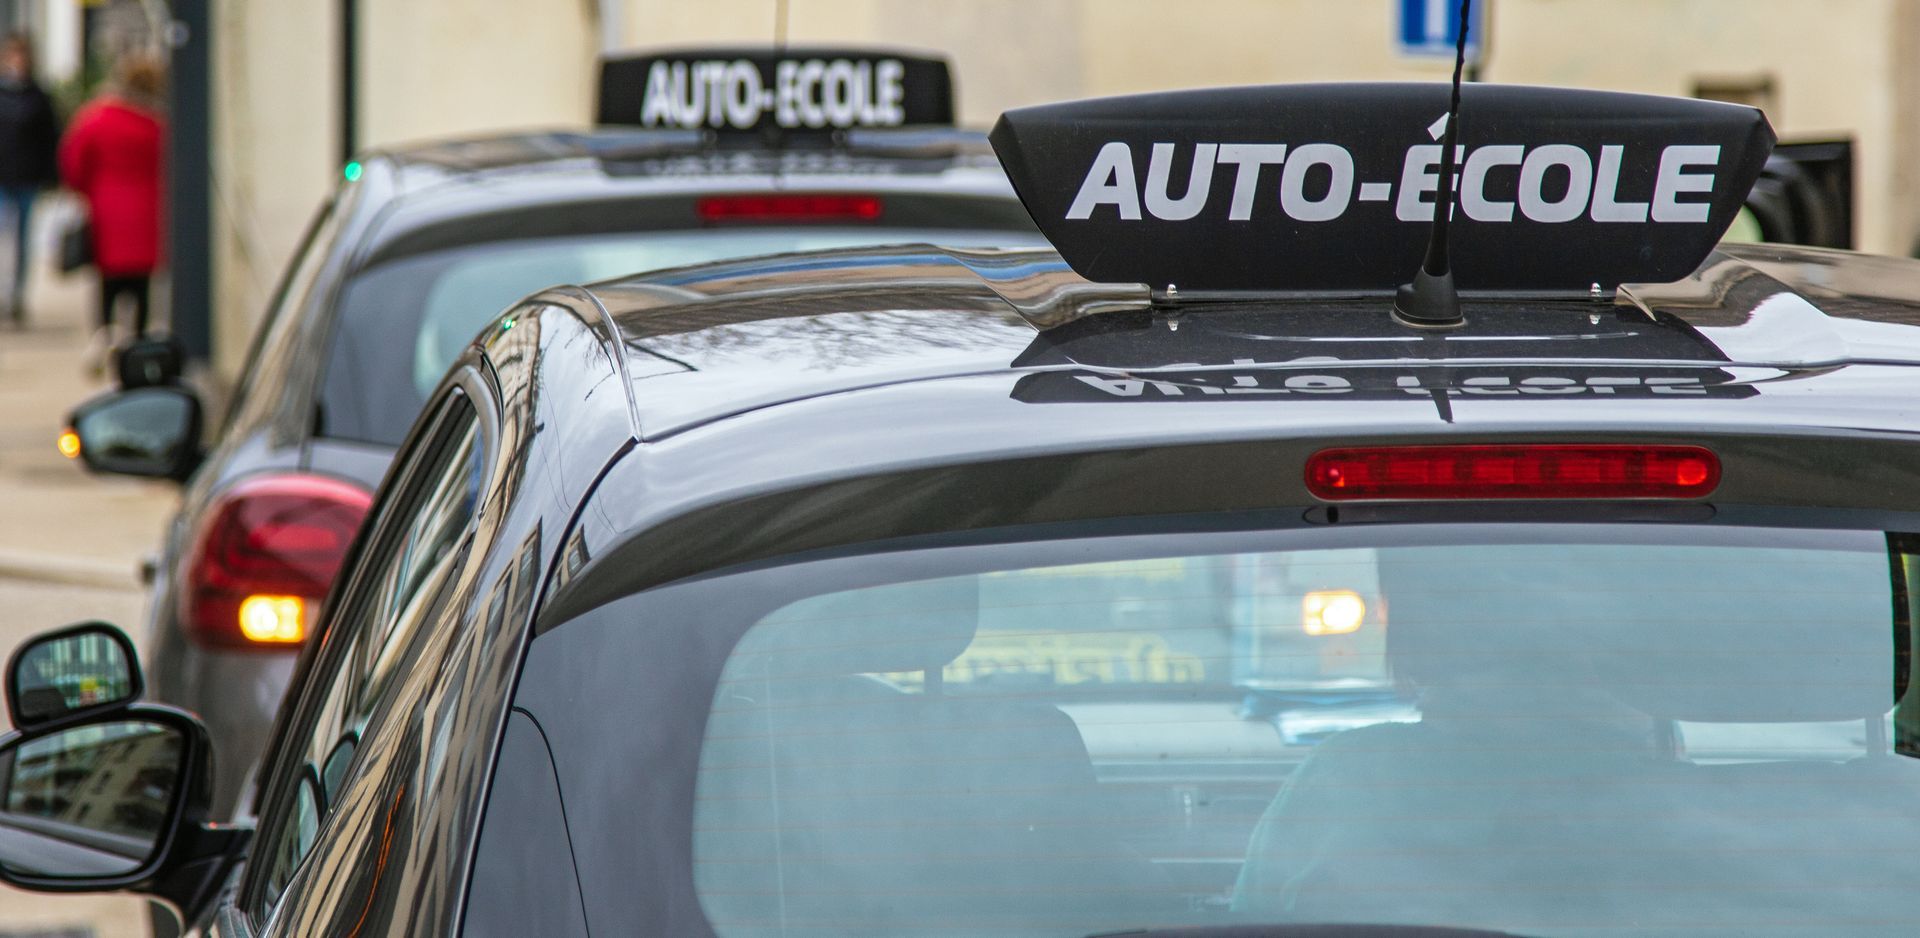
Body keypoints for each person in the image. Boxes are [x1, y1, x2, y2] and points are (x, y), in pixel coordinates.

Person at [59, 53, 165, 362]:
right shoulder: (157, 124)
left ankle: (105, 335)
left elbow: (74, 160)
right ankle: (138, 342)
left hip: (107, 208)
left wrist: (83, 191)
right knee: (141, 282)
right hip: (147, 209)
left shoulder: (97, 118)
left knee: (108, 280)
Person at [0, 32, 59, 325]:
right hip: (2, 178)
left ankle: (16, 297)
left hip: (26, 178)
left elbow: (50, 139)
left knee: (22, 240)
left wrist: (51, 176)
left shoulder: (39, 96)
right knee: (2, 238)